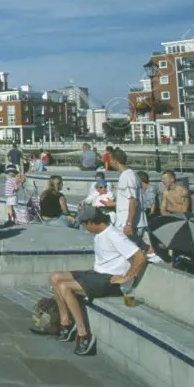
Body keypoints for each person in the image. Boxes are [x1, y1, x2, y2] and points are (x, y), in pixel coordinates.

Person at [49, 206, 147, 356]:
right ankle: (66, 323)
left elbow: (140, 256)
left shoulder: (114, 235)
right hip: (96, 275)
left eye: (84, 224)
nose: (84, 227)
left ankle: (83, 334)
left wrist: (127, 277)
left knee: (64, 287)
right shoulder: (100, 235)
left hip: (109, 281)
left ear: (90, 222)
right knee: (55, 277)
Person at [112, 149, 147, 248]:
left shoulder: (128, 176)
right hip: (126, 222)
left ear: (115, 161)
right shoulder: (130, 175)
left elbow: (133, 201)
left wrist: (129, 223)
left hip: (129, 224)